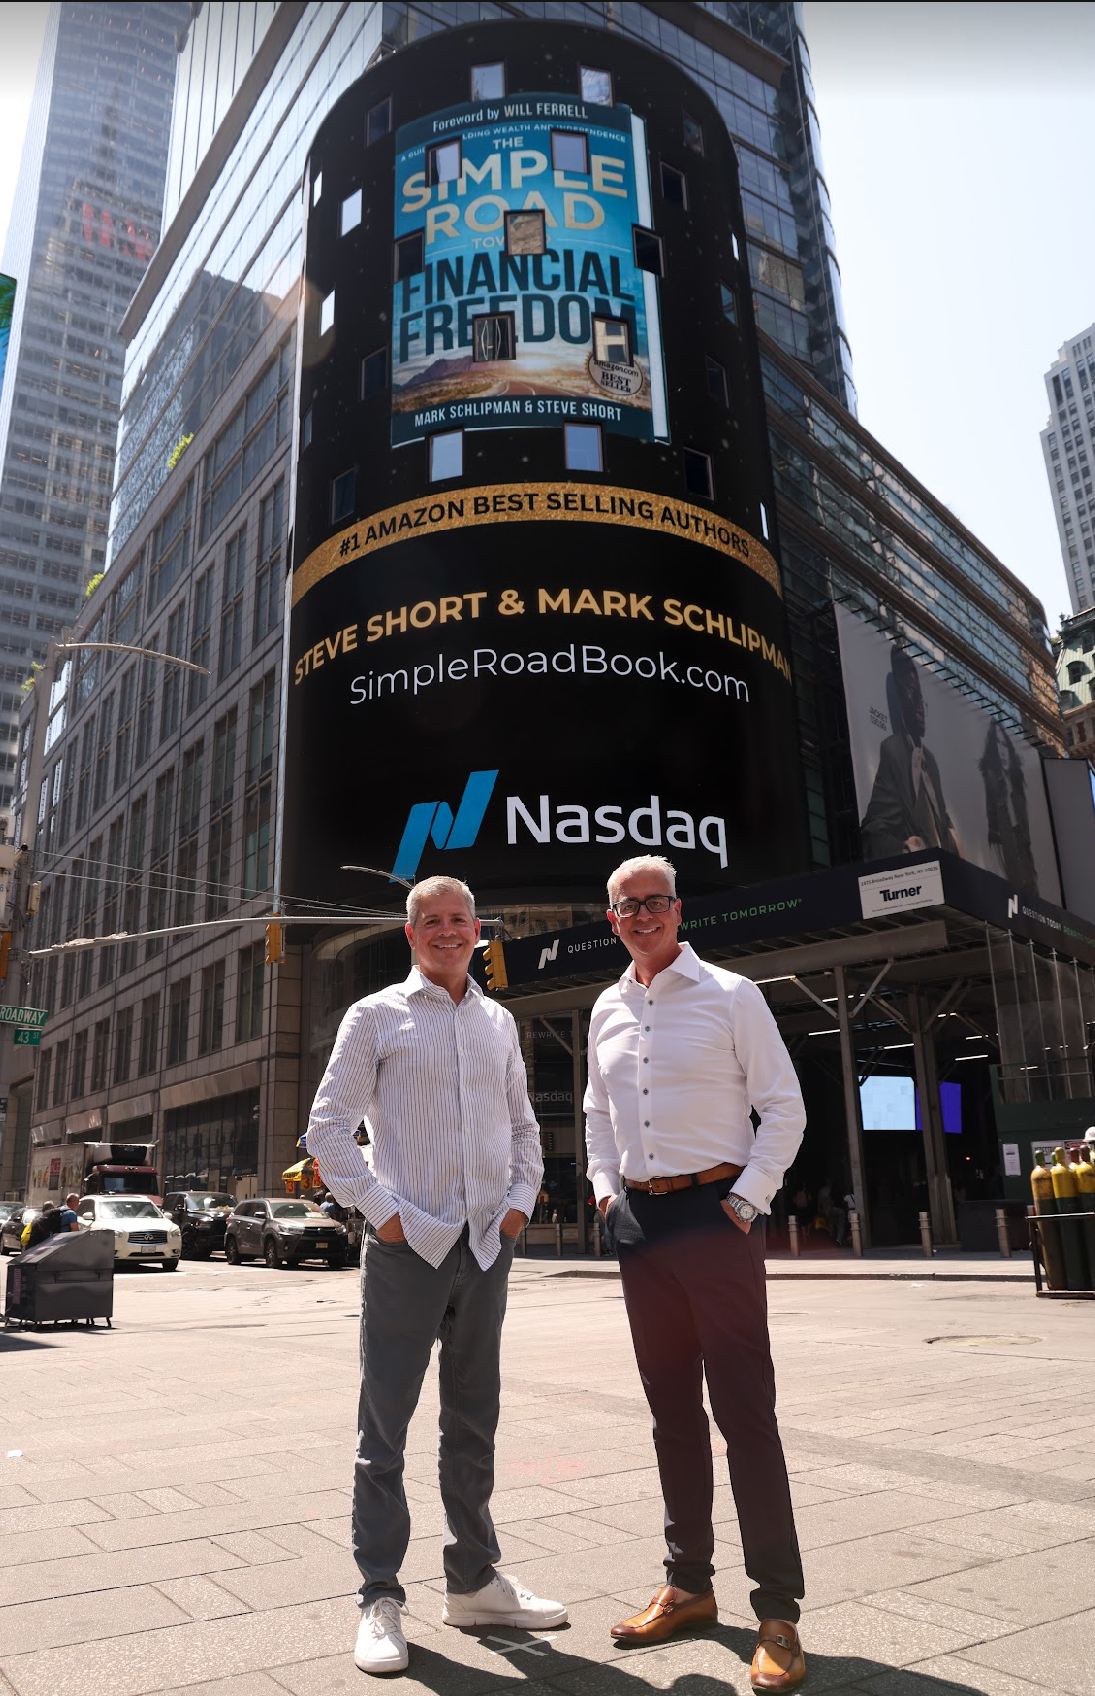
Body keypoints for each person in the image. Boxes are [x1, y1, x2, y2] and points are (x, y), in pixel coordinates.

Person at [307, 874, 566, 1676]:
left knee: (473, 1421)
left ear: (478, 930)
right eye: (432, 922)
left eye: (459, 920)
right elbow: (327, 1133)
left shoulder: (497, 1021)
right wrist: (386, 1217)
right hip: (405, 1249)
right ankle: (379, 1598)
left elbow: (524, 1129)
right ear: (410, 932)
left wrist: (517, 1207)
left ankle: (475, 1580)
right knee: (381, 1433)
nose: (447, 932)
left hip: (487, 1248)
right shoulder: (376, 1015)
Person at [586, 855, 807, 1692]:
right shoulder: (606, 1005)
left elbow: (783, 1103)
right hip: (642, 1223)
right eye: (624, 906)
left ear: (678, 911)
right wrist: (608, 1196)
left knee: (744, 1412)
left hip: (718, 1216)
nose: (640, 916)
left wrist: (748, 1201)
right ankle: (688, 1586)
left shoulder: (730, 995)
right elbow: (596, 1114)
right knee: (669, 1413)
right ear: (611, 920)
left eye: (653, 902)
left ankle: (777, 1613)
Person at [860, 646, 961, 859]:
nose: (919, 707)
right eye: (911, 694)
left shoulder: (930, 760)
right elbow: (874, 829)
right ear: (898, 697)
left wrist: (952, 838)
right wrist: (906, 849)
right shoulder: (893, 750)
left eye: (921, 698)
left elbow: (938, 816)